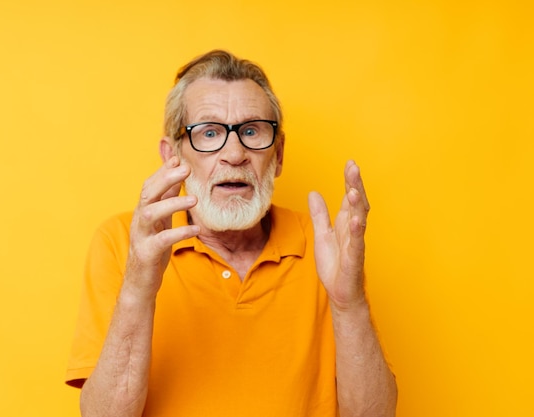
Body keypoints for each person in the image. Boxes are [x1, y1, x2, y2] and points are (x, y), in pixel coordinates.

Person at [66, 50, 397, 417]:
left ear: (279, 153)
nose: (235, 153)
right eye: (209, 133)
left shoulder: (325, 248)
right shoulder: (122, 243)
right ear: (171, 155)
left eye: (252, 131)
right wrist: (139, 287)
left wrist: (349, 304)